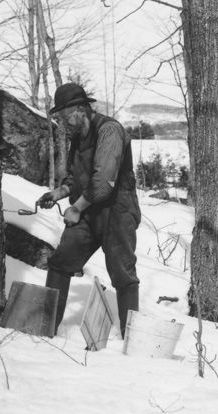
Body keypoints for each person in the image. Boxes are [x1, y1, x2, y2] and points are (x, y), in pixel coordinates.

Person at [36, 82, 141, 337]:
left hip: (117, 211)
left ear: (80, 109)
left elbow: (104, 183)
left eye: (63, 117)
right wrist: (58, 193)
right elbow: (75, 179)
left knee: (122, 273)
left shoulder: (109, 131)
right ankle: (46, 329)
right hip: (88, 210)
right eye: (58, 118)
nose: (62, 124)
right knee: (61, 262)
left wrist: (76, 207)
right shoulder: (77, 139)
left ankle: (131, 337)